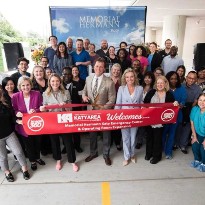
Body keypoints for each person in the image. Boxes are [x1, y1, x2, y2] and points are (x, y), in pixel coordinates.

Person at [40, 74, 79, 172]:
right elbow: (44, 111)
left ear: (60, 82)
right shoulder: (45, 94)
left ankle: (72, 161)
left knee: (68, 141)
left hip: (64, 119)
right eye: (52, 81)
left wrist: (65, 106)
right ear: (49, 82)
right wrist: (43, 109)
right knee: (54, 141)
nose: (55, 83)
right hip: (52, 121)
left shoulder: (65, 92)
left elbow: (70, 108)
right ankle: (58, 160)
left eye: (57, 81)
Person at [82, 57, 116, 166]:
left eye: (101, 67)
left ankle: (106, 154)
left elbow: (112, 100)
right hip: (91, 112)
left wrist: (103, 109)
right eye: (97, 66)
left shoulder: (109, 82)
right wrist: (84, 96)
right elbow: (84, 91)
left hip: (104, 112)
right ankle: (93, 153)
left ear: (104, 68)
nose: (98, 68)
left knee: (106, 134)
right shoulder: (88, 79)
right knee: (92, 134)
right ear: (93, 67)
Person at [11, 76, 46, 171]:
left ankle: (38, 158)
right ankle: (32, 161)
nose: (26, 87)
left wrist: (36, 110)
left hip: (36, 124)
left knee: (38, 142)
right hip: (24, 125)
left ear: (31, 85)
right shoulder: (15, 96)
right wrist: (16, 113)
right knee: (29, 145)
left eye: (27, 85)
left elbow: (41, 107)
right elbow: (13, 110)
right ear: (19, 87)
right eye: (23, 85)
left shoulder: (37, 94)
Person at [144, 76, 176, 164]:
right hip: (149, 119)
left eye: (161, 83)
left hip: (160, 121)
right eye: (158, 83)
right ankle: (148, 153)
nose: (159, 85)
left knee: (158, 139)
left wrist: (175, 104)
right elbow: (145, 103)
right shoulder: (151, 92)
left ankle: (156, 156)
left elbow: (172, 107)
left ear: (165, 84)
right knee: (149, 137)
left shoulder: (169, 94)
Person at [0, 88, 30, 182]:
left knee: (19, 152)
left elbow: (12, 117)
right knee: (3, 157)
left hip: (9, 133)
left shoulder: (5, 104)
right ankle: (7, 171)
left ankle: (24, 168)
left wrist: (18, 121)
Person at [115, 68, 143, 166]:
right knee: (125, 137)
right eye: (127, 77)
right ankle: (126, 157)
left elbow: (141, 103)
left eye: (131, 77)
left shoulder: (140, 88)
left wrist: (143, 112)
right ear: (124, 78)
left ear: (134, 77)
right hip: (124, 117)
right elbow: (118, 104)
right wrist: (116, 116)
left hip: (135, 117)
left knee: (133, 137)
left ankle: (132, 155)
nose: (129, 79)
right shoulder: (121, 88)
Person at [175, 71, 202, 154]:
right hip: (179, 107)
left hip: (191, 107)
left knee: (187, 127)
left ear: (196, 79)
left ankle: (183, 145)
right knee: (178, 126)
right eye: (189, 78)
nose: (191, 80)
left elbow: (195, 101)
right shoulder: (180, 86)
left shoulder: (198, 89)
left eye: (193, 78)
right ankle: (175, 143)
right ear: (186, 77)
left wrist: (190, 111)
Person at [162, 71, 186, 159]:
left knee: (172, 134)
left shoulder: (182, 88)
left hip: (177, 115)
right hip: (165, 116)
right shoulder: (165, 89)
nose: (174, 80)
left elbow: (183, 100)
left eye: (175, 78)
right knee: (163, 134)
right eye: (171, 78)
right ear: (168, 79)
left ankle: (168, 152)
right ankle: (161, 149)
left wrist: (180, 105)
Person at [62, 67, 84, 153]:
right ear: (62, 75)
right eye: (65, 74)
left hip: (76, 111)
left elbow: (81, 97)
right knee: (65, 130)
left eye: (68, 74)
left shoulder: (78, 84)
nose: (67, 76)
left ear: (72, 75)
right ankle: (65, 146)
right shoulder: (59, 85)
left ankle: (77, 145)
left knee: (76, 130)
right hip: (63, 112)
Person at [136, 71, 155, 149]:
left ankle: (148, 140)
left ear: (152, 79)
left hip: (149, 111)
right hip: (139, 110)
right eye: (146, 77)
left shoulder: (154, 89)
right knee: (140, 126)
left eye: (149, 78)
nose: (147, 79)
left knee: (148, 127)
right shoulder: (139, 87)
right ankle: (139, 141)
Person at [190, 93, 205, 172]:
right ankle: (197, 160)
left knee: (203, 149)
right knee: (194, 145)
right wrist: (194, 136)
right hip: (198, 133)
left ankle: (204, 163)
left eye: (204, 101)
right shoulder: (195, 109)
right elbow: (192, 122)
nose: (202, 102)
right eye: (200, 100)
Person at [110, 63, 122, 151]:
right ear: (111, 70)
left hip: (119, 105)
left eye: (118, 70)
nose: (116, 71)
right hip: (109, 105)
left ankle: (117, 142)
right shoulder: (107, 79)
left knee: (118, 125)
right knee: (109, 124)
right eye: (114, 69)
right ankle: (109, 142)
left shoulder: (122, 80)